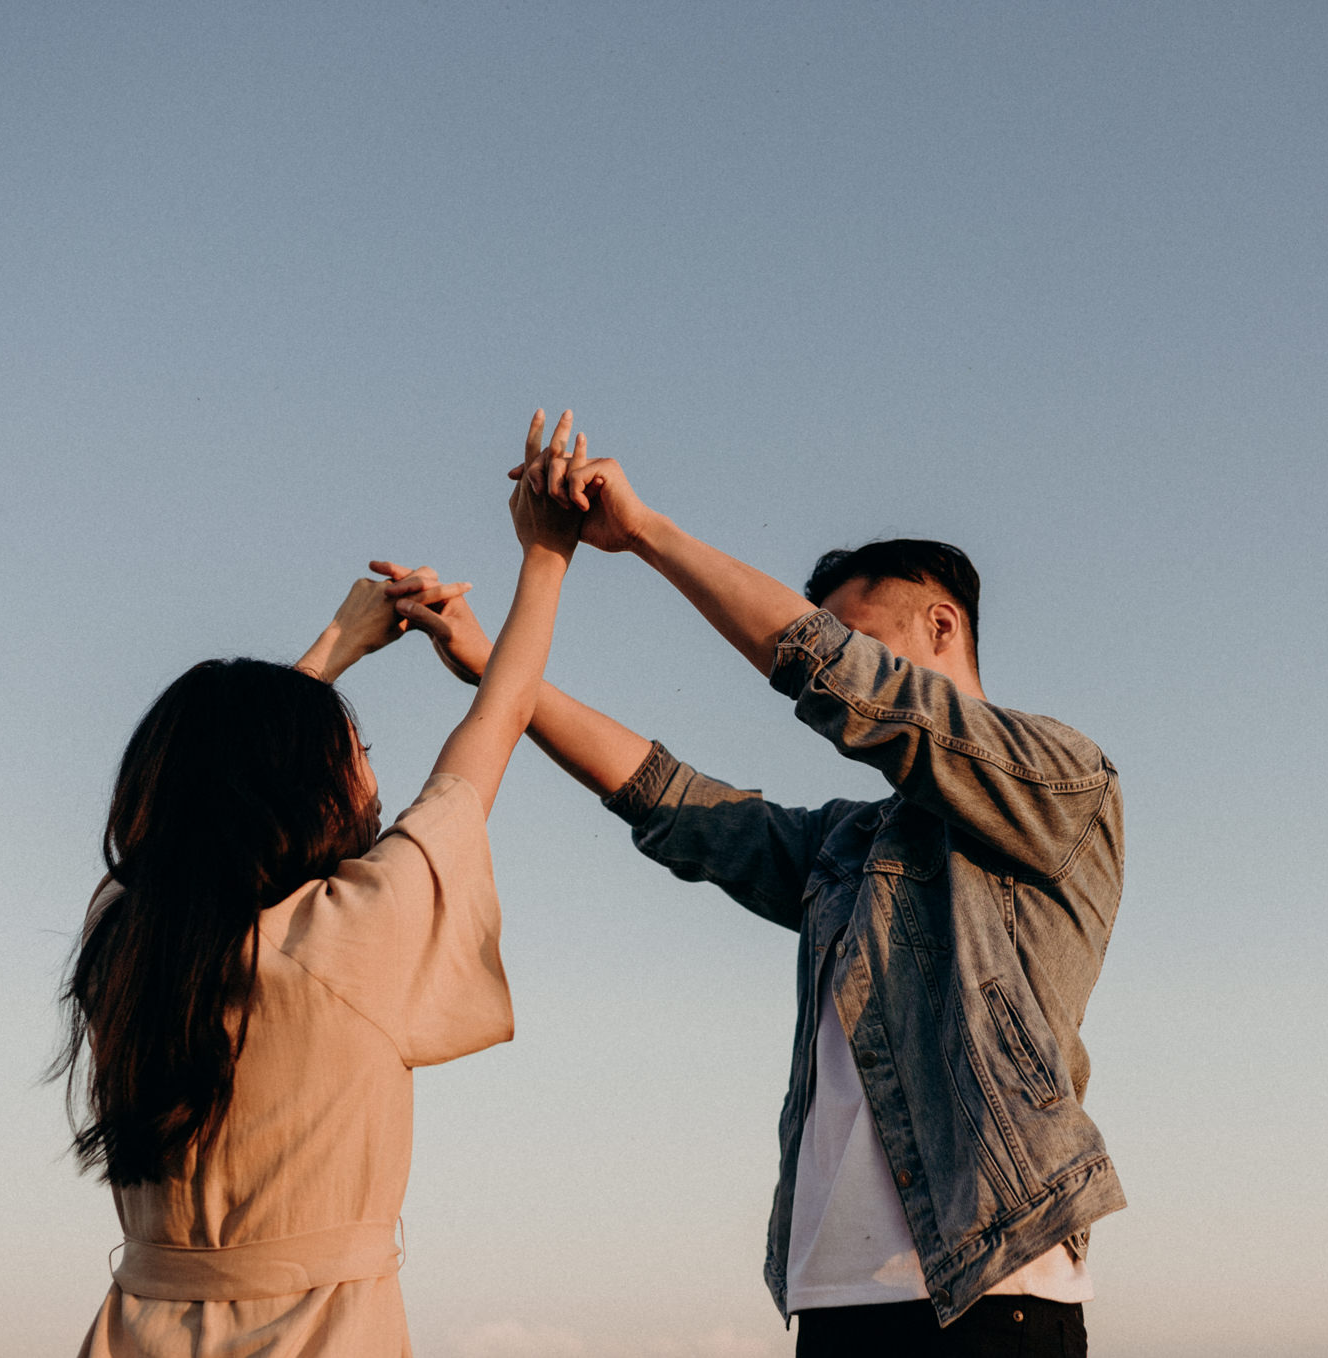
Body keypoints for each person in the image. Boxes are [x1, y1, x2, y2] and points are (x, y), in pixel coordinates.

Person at [382, 435, 1126, 1357]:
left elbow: (840, 681)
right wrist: (500, 669)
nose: (839, 664)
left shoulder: (1064, 785)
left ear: (943, 625)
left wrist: (646, 532)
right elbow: (675, 802)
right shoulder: (848, 847)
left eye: (863, 640)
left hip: (986, 1289)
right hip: (832, 1299)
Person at [57, 411, 586, 1358]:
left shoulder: (123, 941)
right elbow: (497, 721)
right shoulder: (354, 931)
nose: (371, 777)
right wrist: (546, 556)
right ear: (307, 790)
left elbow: (203, 791)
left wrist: (330, 648)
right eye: (358, 754)